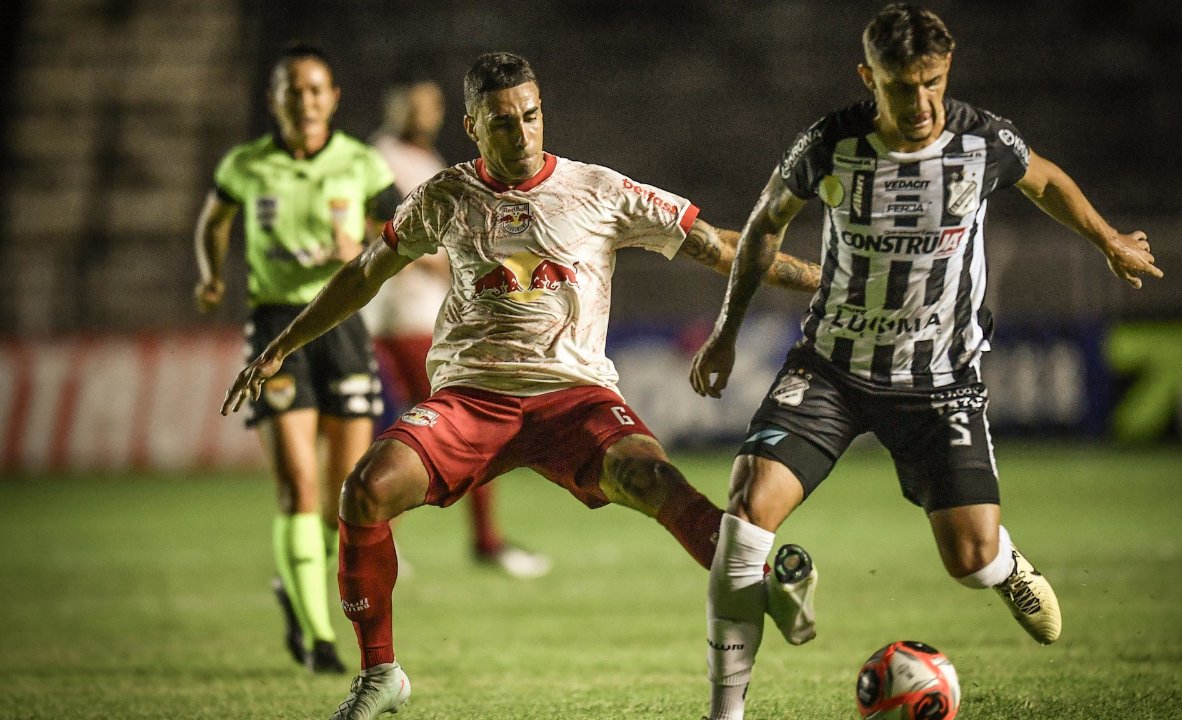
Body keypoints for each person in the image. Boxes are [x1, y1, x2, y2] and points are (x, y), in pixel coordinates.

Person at [221, 51, 824, 720]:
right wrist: (283, 343)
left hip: (575, 398)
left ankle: (769, 580)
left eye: (531, 117)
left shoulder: (598, 190)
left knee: (658, 482)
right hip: (470, 399)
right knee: (364, 492)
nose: (522, 133)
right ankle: (380, 674)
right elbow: (366, 272)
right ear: (473, 125)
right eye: (503, 122)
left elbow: (718, 247)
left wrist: (819, 280)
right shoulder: (447, 195)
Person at [689, 5, 1164, 719]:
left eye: (933, 83)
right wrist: (727, 331)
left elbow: (1045, 180)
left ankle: (1003, 566)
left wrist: (1107, 240)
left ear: (948, 72)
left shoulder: (981, 140)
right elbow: (763, 226)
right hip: (831, 371)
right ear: (867, 78)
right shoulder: (829, 143)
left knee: (968, 561)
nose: (921, 103)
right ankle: (726, 714)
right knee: (745, 520)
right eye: (900, 87)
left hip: (940, 381)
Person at [194, 43, 401, 675]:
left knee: (346, 496)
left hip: (341, 326)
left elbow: (407, 233)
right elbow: (213, 221)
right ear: (276, 99)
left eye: (316, 90)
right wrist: (210, 276)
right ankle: (317, 639)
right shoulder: (245, 164)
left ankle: (298, 586)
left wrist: (361, 241)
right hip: (276, 326)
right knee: (296, 487)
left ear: (333, 98)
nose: (305, 101)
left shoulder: (361, 163)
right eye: (293, 90)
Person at [364, 80, 551, 579]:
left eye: (431, 103)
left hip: (429, 316)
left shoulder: (423, 159)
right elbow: (381, 228)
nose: (424, 111)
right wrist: (451, 265)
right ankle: (471, 542)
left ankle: (395, 538)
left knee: (429, 427)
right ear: (395, 104)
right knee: (461, 425)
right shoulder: (381, 157)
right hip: (405, 316)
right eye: (414, 101)